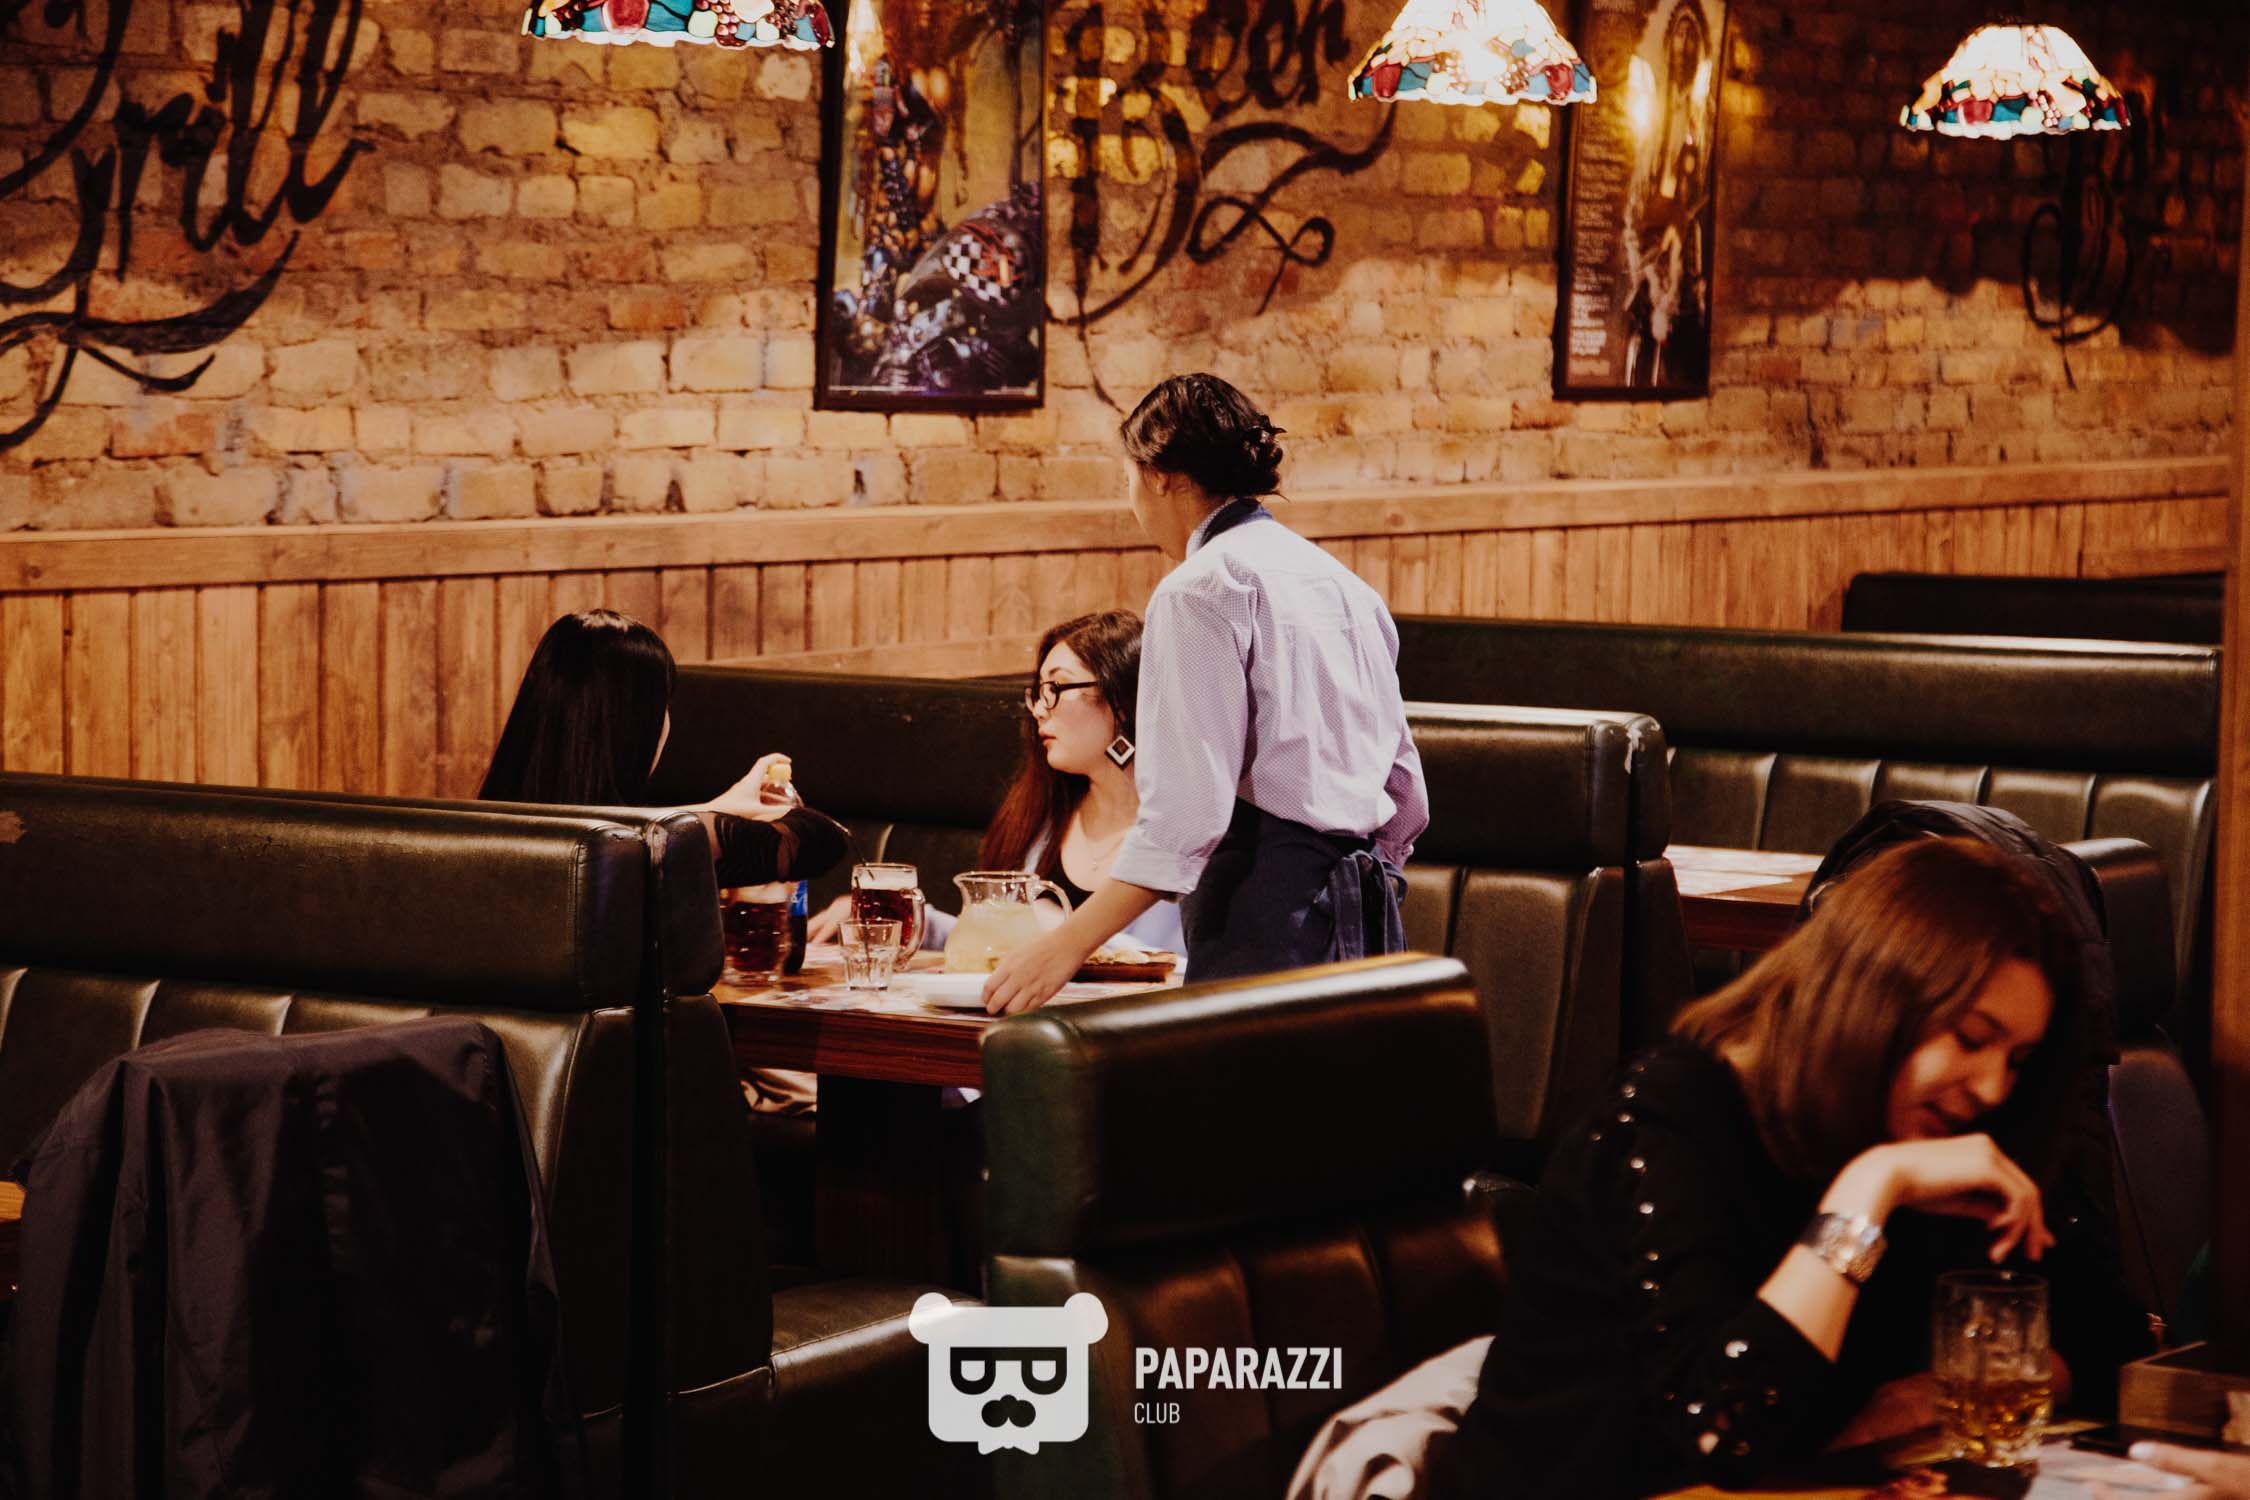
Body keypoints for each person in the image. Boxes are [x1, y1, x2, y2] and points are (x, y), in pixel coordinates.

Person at [1428, 837, 2152, 1500]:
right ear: (1874, 999)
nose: (1994, 1086)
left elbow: (2113, 1337)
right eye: (1969, 1038)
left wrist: (1921, 1398)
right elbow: (1727, 1429)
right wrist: (1870, 1192)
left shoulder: (1938, 1126)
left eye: (2017, 1059)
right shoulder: (1672, 1121)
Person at [981, 374, 1427, 1013]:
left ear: (1160, 475)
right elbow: (1404, 791)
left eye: (1129, 478)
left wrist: (1065, 946)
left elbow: (1186, 817)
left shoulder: (1199, 587)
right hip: (1368, 917)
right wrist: (1360, 886)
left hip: (1263, 919)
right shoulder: (1346, 586)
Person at [809, 609, 1184, 956]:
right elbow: (1000, 947)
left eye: (1057, 688)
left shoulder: (1184, 831)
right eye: (1039, 692)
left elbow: (1188, 967)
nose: (1040, 709)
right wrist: (909, 920)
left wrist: (1063, 933)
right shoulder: (1042, 821)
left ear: (1121, 701)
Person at [479, 609, 846, 888]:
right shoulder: (646, 849)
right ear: (636, 726)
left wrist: (717, 808)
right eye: (663, 706)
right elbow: (819, 838)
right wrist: (717, 814)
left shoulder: (478, 831)